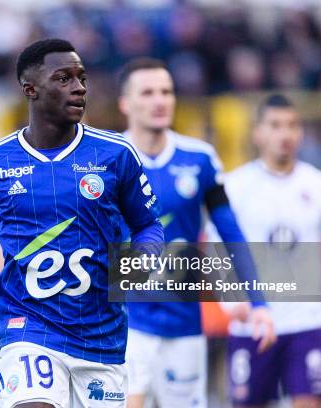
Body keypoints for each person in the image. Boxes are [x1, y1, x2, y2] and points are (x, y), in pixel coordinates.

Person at [0, 39, 164, 408]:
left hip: (101, 337)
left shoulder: (115, 155)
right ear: (30, 90)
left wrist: (143, 259)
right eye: (63, 79)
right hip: (27, 327)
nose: (78, 87)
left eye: (81, 78)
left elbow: (148, 225)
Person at [116, 58, 276, 408]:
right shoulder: (106, 158)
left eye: (167, 92)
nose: (160, 100)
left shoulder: (200, 159)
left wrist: (257, 301)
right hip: (124, 321)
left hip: (183, 321)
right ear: (125, 103)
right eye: (148, 92)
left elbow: (230, 233)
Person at [219, 94, 321, 408]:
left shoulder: (319, 184)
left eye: (293, 126)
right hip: (254, 323)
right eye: (276, 125)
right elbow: (218, 250)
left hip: (307, 323)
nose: (285, 134)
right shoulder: (236, 185)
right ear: (257, 132)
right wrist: (230, 299)